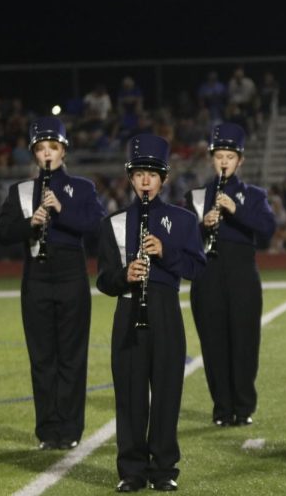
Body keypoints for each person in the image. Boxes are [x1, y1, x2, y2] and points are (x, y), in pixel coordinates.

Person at [96, 135, 206, 492]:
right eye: (140, 173)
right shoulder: (112, 224)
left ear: (164, 178)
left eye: (153, 174)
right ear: (130, 178)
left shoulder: (184, 220)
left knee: (166, 394)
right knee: (129, 396)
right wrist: (123, 275)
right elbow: (103, 280)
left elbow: (197, 269)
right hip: (128, 312)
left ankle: (164, 469)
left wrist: (165, 253)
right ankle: (131, 470)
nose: (146, 180)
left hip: (166, 313)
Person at [0, 117, 105, 450]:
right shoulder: (22, 191)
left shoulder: (82, 188)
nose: (47, 154)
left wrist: (61, 210)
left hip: (72, 276)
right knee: (42, 358)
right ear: (34, 153)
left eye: (53, 148)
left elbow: (96, 228)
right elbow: (2, 233)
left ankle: (70, 429)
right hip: (37, 278)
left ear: (63, 151)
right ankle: (47, 430)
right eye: (41, 148)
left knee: (71, 356)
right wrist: (31, 222)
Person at [186, 122, 276, 427]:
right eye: (219, 156)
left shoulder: (253, 195)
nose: (224, 162)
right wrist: (201, 225)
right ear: (212, 159)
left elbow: (267, 230)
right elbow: (182, 243)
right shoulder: (197, 198)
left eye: (230, 156)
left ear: (240, 160)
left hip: (241, 274)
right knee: (213, 343)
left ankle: (243, 406)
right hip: (207, 275)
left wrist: (236, 211)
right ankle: (221, 408)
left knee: (244, 340)